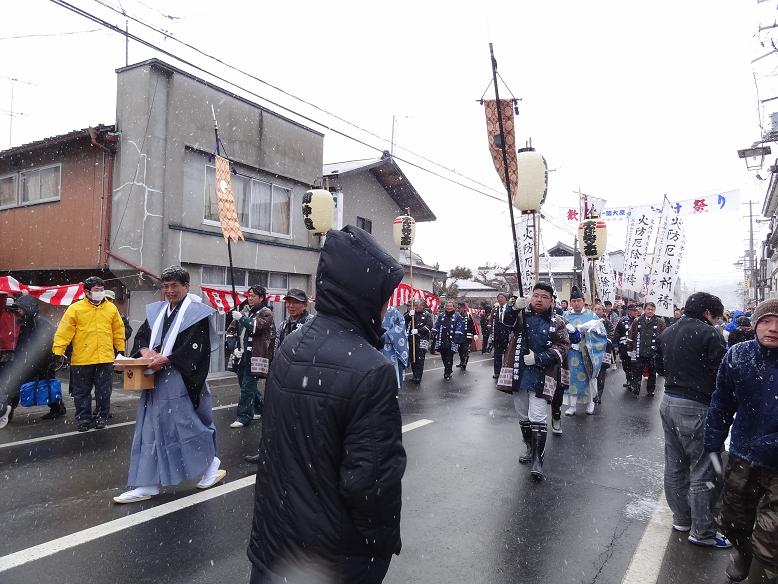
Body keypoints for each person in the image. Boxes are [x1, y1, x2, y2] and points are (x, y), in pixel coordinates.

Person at [247, 225, 406, 584]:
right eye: (384, 295)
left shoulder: (293, 344)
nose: (385, 306)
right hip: (332, 558)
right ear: (364, 294)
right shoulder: (372, 369)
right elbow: (371, 483)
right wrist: (381, 543)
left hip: (275, 544)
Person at [113, 266, 224, 504]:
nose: (170, 291)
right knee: (149, 429)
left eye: (175, 286)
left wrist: (169, 358)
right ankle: (147, 483)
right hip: (155, 377)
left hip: (180, 379)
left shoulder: (196, 313)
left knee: (185, 426)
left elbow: (197, 348)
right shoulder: (158, 312)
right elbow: (143, 335)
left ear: (187, 287)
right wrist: (144, 349)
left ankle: (209, 462)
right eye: (165, 286)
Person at [705, 300, 778, 583]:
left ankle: (762, 573)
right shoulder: (738, 355)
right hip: (742, 453)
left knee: (772, 535)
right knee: (734, 520)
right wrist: (713, 443)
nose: (773, 329)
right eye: (766, 321)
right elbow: (722, 402)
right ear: (755, 323)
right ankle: (742, 554)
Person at [657, 292, 730, 549]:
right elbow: (723, 373)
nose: (717, 321)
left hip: (668, 402)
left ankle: (682, 518)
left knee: (675, 465)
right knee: (703, 468)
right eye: (716, 316)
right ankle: (703, 531)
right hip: (697, 405)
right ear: (708, 313)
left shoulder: (667, 331)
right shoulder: (710, 334)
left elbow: (659, 368)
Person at [498, 283, 570, 479]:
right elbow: (504, 324)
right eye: (535, 295)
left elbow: (563, 346)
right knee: (523, 414)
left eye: (544, 297)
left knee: (538, 415)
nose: (538, 299)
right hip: (519, 372)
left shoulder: (558, 322)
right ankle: (529, 447)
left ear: (551, 300)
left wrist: (539, 358)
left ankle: (538, 460)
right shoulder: (521, 315)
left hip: (542, 373)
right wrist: (513, 309)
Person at [52, 276, 125, 432]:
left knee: (104, 391)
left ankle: (101, 417)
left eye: (101, 290)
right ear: (86, 292)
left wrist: (120, 350)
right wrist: (58, 351)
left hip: (105, 358)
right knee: (81, 392)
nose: (99, 293)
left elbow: (118, 331)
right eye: (96, 290)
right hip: (82, 359)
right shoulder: (75, 309)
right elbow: (64, 332)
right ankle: (83, 419)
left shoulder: (111, 308)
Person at [0, 296, 65, 428]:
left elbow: (48, 344)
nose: (18, 312)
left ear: (27, 309)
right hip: (29, 362)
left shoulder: (40, 323)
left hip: (40, 363)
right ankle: (7, 410)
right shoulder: (26, 321)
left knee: (45, 385)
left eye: (20, 309)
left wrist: (46, 361)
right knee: (40, 385)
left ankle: (7, 411)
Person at [227, 285, 275, 428]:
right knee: (245, 384)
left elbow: (256, 327)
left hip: (255, 355)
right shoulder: (244, 311)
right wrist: (234, 347)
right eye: (249, 295)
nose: (250, 298)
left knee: (247, 387)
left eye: (253, 296)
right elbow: (230, 332)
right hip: (241, 355)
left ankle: (244, 416)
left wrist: (241, 318)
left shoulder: (266, 312)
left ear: (261, 298)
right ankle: (260, 408)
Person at [562, 286, 604, 416]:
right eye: (573, 301)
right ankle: (572, 405)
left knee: (589, 378)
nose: (576, 303)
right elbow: (560, 333)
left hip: (587, 353)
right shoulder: (565, 315)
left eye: (578, 300)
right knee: (572, 378)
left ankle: (590, 402)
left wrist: (586, 333)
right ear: (570, 302)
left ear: (583, 301)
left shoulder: (591, 315)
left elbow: (602, 334)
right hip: (571, 353)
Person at [627, 302, 666, 397]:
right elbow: (631, 335)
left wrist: (661, 351)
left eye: (652, 309)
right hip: (639, 351)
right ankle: (636, 390)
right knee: (637, 372)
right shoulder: (637, 320)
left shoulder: (660, 321)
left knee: (652, 373)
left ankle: (651, 390)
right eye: (648, 309)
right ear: (644, 309)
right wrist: (630, 348)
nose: (650, 311)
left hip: (653, 352)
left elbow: (664, 336)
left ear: (655, 310)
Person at [432, 300, 465, 381]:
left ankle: (447, 372)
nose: (449, 307)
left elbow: (459, 326)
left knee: (449, 357)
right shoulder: (441, 315)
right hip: (442, 338)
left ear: (453, 307)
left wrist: (457, 336)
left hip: (452, 339)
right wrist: (434, 330)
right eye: (447, 306)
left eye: (450, 306)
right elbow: (437, 324)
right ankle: (447, 368)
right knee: (443, 356)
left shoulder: (457, 316)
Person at [405, 299, 433, 384]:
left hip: (422, 340)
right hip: (412, 340)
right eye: (416, 306)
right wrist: (409, 314)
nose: (417, 307)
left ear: (423, 306)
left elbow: (429, 326)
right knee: (413, 358)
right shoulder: (412, 314)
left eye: (419, 306)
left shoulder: (427, 315)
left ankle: (418, 377)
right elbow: (403, 321)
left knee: (420, 359)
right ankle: (414, 375)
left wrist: (418, 330)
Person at [381, 304, 409, 388]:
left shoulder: (394, 311)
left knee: (392, 367)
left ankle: (393, 386)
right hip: (377, 345)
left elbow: (400, 325)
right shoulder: (373, 309)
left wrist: (388, 334)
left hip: (391, 346)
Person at [613, 304, 640, 391]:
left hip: (635, 348)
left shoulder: (640, 321)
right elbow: (617, 333)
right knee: (626, 365)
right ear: (629, 311)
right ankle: (628, 379)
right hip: (624, 347)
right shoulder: (622, 321)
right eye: (633, 310)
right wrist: (616, 346)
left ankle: (634, 382)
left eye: (636, 310)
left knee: (634, 365)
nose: (635, 312)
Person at [593, 303, 615, 405]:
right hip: (592, 351)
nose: (597, 311)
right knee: (592, 374)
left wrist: (605, 341)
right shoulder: (591, 322)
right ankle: (591, 395)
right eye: (595, 309)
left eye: (599, 309)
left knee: (601, 374)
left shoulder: (607, 323)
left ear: (603, 311)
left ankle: (599, 395)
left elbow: (611, 334)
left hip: (604, 351)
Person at [491, 292, 511, 379]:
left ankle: (508, 372)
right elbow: (491, 323)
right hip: (497, 336)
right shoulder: (494, 310)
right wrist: (492, 335)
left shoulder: (510, 309)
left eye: (502, 297)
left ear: (505, 298)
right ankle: (497, 372)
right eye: (498, 297)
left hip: (507, 335)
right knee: (497, 355)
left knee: (509, 355)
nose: (500, 299)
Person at [456, 301, 477, 371]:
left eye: (460, 308)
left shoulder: (468, 315)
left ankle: (465, 362)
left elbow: (472, 325)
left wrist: (475, 334)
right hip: (459, 336)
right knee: (460, 350)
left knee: (465, 350)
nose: (459, 309)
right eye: (458, 308)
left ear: (463, 308)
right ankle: (461, 361)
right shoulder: (456, 315)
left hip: (467, 335)